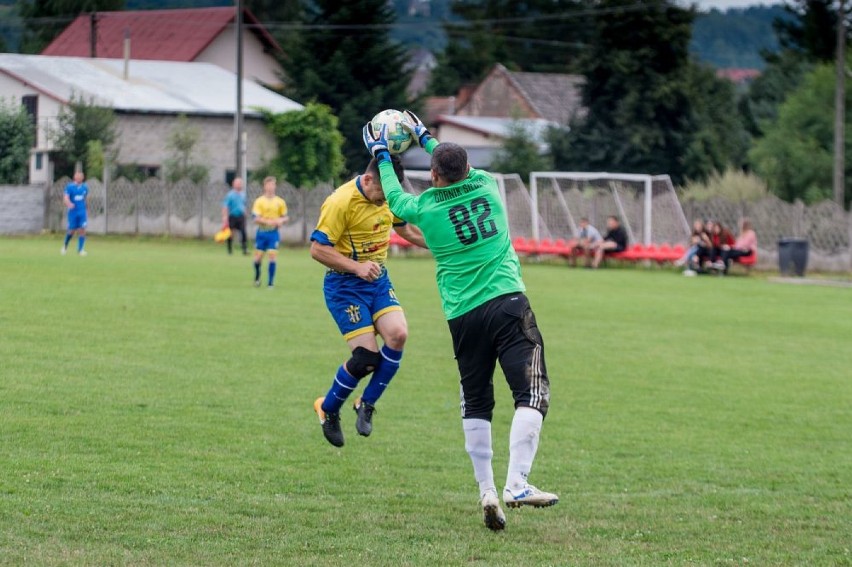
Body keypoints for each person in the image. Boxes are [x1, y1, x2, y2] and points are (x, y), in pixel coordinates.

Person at [363, 111, 558, 532]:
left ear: (434, 177)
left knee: (476, 400)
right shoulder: (487, 186)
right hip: (508, 304)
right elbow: (453, 163)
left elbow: (395, 200)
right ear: (467, 170)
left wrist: (382, 153)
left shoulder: (427, 209)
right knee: (532, 391)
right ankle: (517, 483)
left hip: (463, 316)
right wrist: (424, 136)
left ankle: (487, 489)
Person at [311, 156, 426, 448]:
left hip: (377, 280)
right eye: (382, 195)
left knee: (398, 334)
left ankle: (366, 403)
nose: (383, 201)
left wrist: (444, 246)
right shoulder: (340, 202)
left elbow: (407, 230)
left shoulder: (387, 194)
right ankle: (328, 408)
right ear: (368, 179)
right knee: (366, 359)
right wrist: (357, 267)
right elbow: (317, 249)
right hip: (345, 285)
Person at [251, 176, 289, 288]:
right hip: (262, 233)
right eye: (269, 185)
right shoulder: (259, 201)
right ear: (265, 186)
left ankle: (270, 283)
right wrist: (268, 222)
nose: (271, 187)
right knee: (257, 258)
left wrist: (281, 220)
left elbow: (285, 217)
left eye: (273, 185)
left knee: (272, 256)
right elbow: (255, 218)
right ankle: (257, 277)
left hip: (273, 234)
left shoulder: (280, 201)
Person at [62, 171, 89, 256]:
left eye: (81, 177)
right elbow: (65, 198)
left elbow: (85, 199)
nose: (79, 178)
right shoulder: (70, 187)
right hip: (73, 212)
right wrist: (69, 204)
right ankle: (65, 246)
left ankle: (80, 250)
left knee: (82, 230)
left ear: (83, 178)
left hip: (82, 212)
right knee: (72, 231)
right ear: (75, 177)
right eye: (78, 176)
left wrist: (85, 208)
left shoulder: (85, 187)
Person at [221, 177, 248, 255]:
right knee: (230, 233)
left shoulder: (243, 194)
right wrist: (225, 217)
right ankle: (229, 250)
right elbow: (225, 206)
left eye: (240, 183)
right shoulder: (230, 195)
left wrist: (245, 213)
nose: (239, 185)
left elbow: (244, 205)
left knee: (243, 232)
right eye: (237, 183)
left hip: (241, 216)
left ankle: (244, 249)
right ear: (234, 184)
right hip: (232, 216)